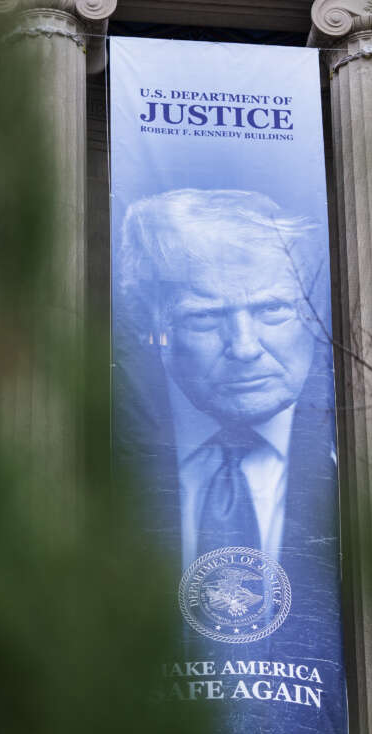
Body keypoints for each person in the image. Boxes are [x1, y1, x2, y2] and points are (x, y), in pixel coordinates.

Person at [113, 188, 338, 572]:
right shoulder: (104, 440)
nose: (245, 347)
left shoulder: (362, 439)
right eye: (204, 317)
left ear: (313, 312)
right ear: (149, 325)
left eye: (272, 309)